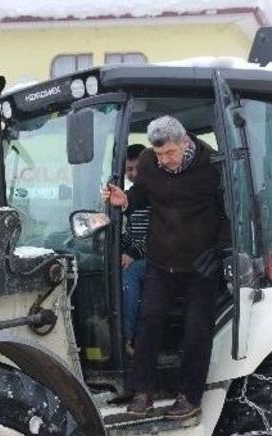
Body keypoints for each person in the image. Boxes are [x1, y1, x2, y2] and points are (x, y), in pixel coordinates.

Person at [103, 116, 229, 419]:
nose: (164, 160)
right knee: (148, 321)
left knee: (196, 330)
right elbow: (142, 196)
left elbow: (230, 210)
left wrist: (220, 251)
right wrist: (126, 200)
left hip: (200, 265)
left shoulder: (212, 165)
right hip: (161, 261)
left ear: (185, 141)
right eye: (159, 154)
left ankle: (189, 396)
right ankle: (143, 392)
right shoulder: (148, 162)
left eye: (170, 153)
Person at [121, 144, 149, 356]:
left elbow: (158, 234)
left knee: (128, 276)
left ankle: (126, 338)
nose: (133, 173)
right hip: (139, 254)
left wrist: (132, 253)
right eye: (129, 169)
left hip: (158, 258)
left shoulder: (156, 194)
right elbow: (132, 233)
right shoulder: (130, 197)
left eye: (137, 168)